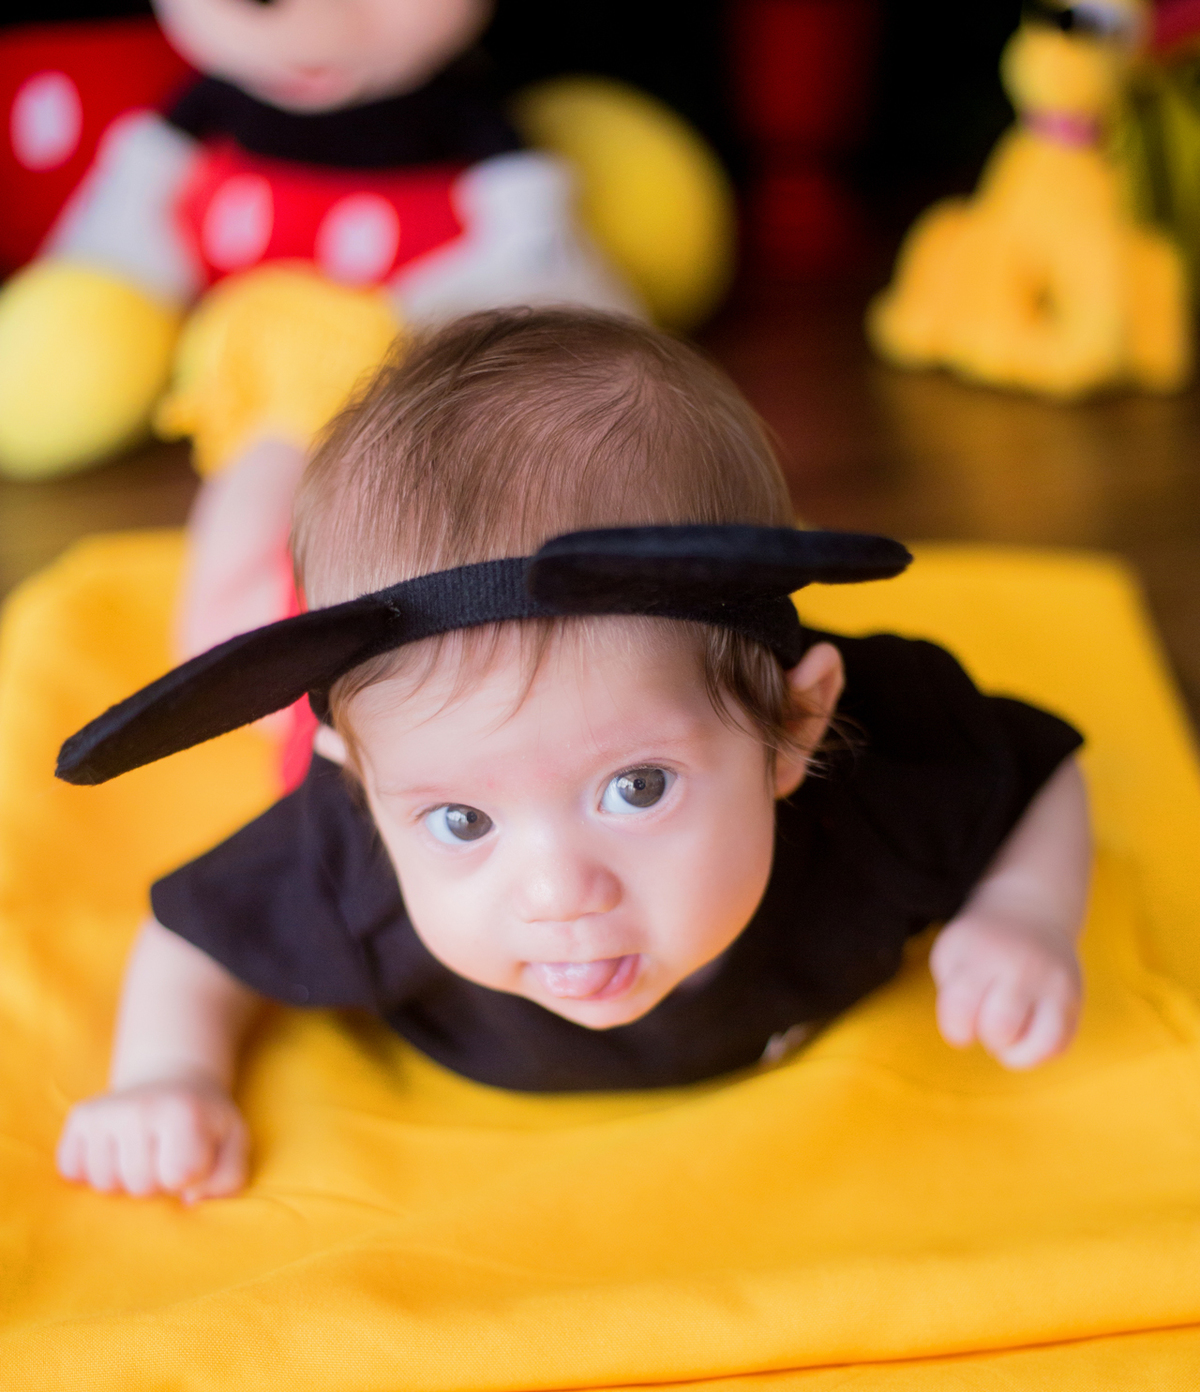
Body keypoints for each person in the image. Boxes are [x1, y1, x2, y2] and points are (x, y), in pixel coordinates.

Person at [55, 308, 1090, 1203]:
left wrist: (1024, 911)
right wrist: (168, 1074)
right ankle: (272, 431)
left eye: (636, 788)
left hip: (640, 683)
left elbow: (1041, 766)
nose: (559, 893)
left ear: (795, 725)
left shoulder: (881, 774)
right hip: (342, 714)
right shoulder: (348, 857)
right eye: (463, 821)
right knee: (230, 615)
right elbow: (190, 938)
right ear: (363, 788)